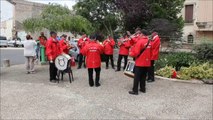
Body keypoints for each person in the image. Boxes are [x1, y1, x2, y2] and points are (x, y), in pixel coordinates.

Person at [128, 29, 151, 95]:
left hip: (140, 62)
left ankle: (135, 91)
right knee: (143, 76)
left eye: (139, 34)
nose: (139, 35)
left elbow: (136, 53)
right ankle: (143, 89)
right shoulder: (150, 41)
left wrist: (130, 53)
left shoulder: (140, 41)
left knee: (137, 77)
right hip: (147, 62)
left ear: (142, 34)